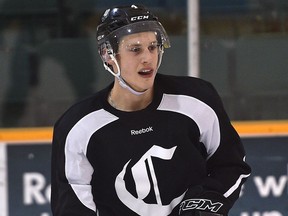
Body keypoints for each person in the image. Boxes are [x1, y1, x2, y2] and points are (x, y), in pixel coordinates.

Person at [51, 4, 251, 216]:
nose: (148, 57)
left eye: (153, 47)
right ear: (108, 55)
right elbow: (72, 207)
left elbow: (230, 165)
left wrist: (202, 207)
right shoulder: (78, 126)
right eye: (135, 49)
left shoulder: (196, 99)